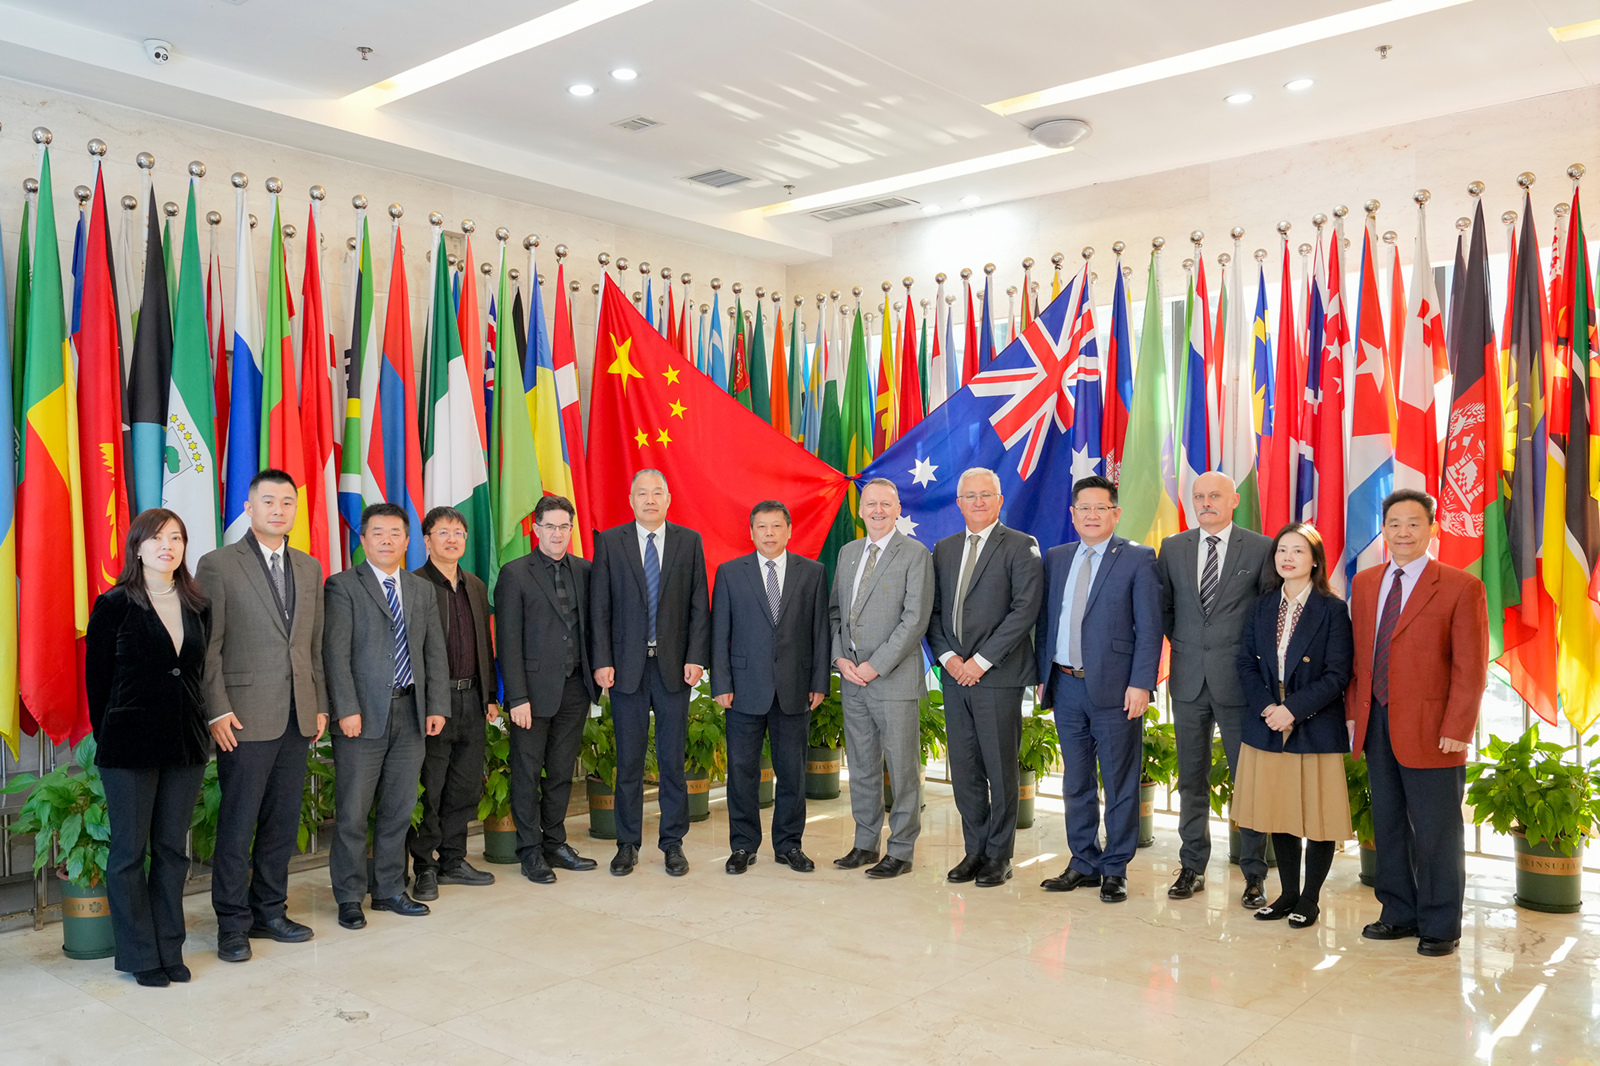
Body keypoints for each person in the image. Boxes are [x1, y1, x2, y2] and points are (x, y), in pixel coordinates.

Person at [195, 469, 328, 965]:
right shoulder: (218, 564)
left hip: (297, 714)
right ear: (249, 508)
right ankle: (232, 924)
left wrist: (320, 704)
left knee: (281, 821)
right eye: (268, 501)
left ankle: (269, 912)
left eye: (287, 502)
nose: (278, 509)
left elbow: (312, 646)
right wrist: (217, 709)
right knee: (238, 822)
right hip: (243, 717)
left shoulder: (309, 567)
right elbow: (208, 647)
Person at [1348, 489, 1487, 958]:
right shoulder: (1366, 583)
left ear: (1433, 529)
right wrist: (1354, 716)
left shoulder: (1461, 586)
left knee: (1436, 832)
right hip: (1376, 722)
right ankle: (1398, 913)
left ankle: (1441, 925)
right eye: (1394, 524)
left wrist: (1458, 727)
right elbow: (1360, 658)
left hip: (1434, 729)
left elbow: (1471, 668)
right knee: (1387, 825)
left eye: (1413, 523)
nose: (1403, 532)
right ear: (1383, 530)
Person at [86, 508, 211, 987]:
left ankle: (169, 948)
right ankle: (141, 955)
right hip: (129, 747)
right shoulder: (114, 604)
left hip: (185, 745)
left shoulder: (198, 605)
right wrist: (113, 736)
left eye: (176, 538)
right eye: (156, 538)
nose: (167, 546)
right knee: (129, 854)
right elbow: (97, 682)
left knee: (172, 851)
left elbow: (195, 675)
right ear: (137, 547)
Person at [323, 503, 450, 930]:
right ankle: (349, 896)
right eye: (377, 532)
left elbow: (434, 652)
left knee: (398, 809)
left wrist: (436, 706)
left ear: (408, 541)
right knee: (353, 813)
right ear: (363, 539)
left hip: (411, 713)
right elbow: (335, 653)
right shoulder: (343, 586)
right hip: (361, 717)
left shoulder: (420, 589)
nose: (386, 540)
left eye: (395, 533)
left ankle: (390, 889)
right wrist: (346, 708)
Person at [1035, 475, 1162, 903]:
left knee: (1120, 782)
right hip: (1065, 684)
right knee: (1076, 781)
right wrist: (1042, 672)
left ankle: (1115, 867)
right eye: (1083, 508)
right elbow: (1046, 620)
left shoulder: (1138, 558)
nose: (1091, 515)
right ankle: (1084, 861)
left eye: (1100, 508)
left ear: (1116, 513)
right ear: (1072, 515)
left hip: (1116, 690)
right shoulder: (1056, 558)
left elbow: (1150, 629)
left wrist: (1141, 683)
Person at [1158, 471, 1275, 907]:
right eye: (1199, 496)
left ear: (1234, 500)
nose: (1205, 503)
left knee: (1249, 780)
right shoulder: (1173, 547)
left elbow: (1266, 615)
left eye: (1214, 496)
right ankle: (1192, 866)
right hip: (1188, 680)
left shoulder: (1260, 548)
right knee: (1191, 778)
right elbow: (1165, 610)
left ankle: (1254, 873)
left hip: (1240, 684)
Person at [590, 469, 711, 877]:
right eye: (642, 493)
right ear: (631, 500)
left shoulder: (689, 541)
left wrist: (696, 656)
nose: (650, 499)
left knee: (672, 759)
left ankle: (673, 843)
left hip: (673, 666)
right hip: (626, 668)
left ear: (668, 499)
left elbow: (699, 604)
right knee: (628, 760)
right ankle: (627, 844)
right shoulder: (611, 542)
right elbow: (600, 607)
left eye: (657, 492)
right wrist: (602, 660)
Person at [926, 467, 1044, 888]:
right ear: (958, 503)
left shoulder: (1021, 545)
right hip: (953, 676)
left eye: (985, 495)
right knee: (964, 768)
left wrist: (980, 662)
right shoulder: (944, 548)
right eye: (970, 496)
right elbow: (932, 611)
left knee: (1000, 768)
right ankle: (974, 850)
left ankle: (999, 855)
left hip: (997, 676)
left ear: (999, 500)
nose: (977, 502)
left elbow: (1024, 610)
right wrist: (948, 659)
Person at [1235, 523, 1354, 929]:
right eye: (1282, 550)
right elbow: (1246, 663)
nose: (1288, 557)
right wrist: (1269, 707)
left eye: (1298, 551)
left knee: (1318, 818)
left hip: (1313, 721)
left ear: (1315, 559)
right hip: (1268, 720)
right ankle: (1287, 895)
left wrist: (1293, 709)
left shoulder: (1332, 609)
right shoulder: (1263, 606)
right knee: (1280, 813)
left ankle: (1310, 899)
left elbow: (1338, 673)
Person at [712, 501, 830, 875]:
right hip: (743, 689)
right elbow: (720, 633)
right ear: (751, 532)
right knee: (742, 771)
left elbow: (821, 632)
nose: (769, 533)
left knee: (792, 772)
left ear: (789, 530)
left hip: (795, 688)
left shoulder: (812, 572)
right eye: (761, 526)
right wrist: (721, 684)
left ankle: (789, 845)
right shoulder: (730, 573)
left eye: (776, 526)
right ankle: (743, 845)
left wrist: (819, 682)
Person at [830, 478, 934, 879]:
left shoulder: (915, 554)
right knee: (861, 765)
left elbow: (915, 620)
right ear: (860, 510)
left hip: (893, 680)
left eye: (886, 504)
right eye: (870, 504)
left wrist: (876, 665)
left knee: (903, 769)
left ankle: (902, 850)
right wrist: (840, 659)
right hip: (852, 679)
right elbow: (836, 613)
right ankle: (865, 842)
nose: (877, 510)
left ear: (898, 509)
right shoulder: (848, 552)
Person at [495, 495, 600, 884]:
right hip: (532, 693)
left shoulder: (585, 570)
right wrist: (517, 697)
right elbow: (508, 640)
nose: (557, 534)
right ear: (535, 529)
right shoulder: (515, 573)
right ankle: (530, 851)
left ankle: (555, 843)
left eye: (564, 526)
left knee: (560, 772)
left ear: (572, 529)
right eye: (550, 526)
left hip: (575, 688)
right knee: (526, 772)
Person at [408, 506, 499, 900]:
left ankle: (453, 860)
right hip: (434, 704)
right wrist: (430, 702)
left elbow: (484, 645)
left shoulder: (474, 585)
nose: (452, 539)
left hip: (472, 699)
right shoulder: (414, 585)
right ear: (427, 541)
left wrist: (490, 696)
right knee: (431, 788)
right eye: (442, 532)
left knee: (464, 786)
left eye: (458, 532)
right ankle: (424, 866)